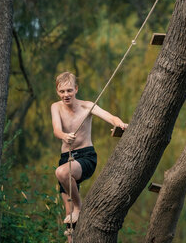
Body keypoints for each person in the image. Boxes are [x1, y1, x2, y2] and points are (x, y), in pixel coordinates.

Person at [51, 72, 128, 225]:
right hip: (66, 158)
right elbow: (56, 130)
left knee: (61, 172)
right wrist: (64, 136)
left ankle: (80, 207)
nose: (66, 94)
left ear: (76, 89)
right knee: (68, 214)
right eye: (62, 91)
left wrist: (120, 124)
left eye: (69, 90)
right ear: (57, 91)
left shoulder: (87, 106)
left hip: (85, 157)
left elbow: (111, 117)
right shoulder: (56, 107)